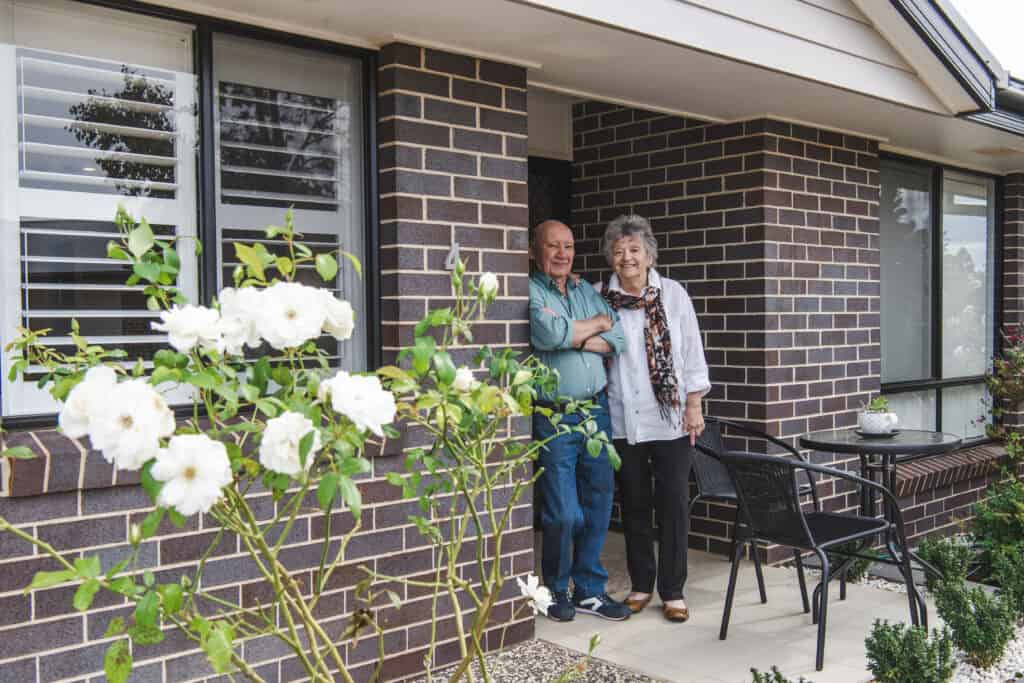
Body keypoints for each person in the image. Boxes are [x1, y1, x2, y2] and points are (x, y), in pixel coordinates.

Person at [600, 214, 710, 623]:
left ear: (648, 255)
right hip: (622, 418)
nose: (626, 257)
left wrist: (694, 404)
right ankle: (642, 583)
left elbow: (692, 353)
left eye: (634, 250)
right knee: (634, 504)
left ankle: (673, 590)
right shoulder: (599, 296)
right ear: (610, 258)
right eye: (618, 251)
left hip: (671, 419)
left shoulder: (674, 294)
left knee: (673, 504)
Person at [529, 219, 632, 622]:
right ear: (535, 250)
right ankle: (555, 590)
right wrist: (592, 329)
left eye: (567, 246)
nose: (562, 254)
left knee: (599, 501)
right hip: (554, 416)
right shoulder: (531, 290)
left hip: (595, 411)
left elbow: (619, 337)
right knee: (563, 512)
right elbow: (549, 333)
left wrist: (576, 334)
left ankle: (589, 589)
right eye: (553, 246)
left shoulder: (585, 290)